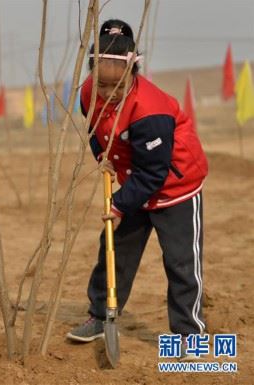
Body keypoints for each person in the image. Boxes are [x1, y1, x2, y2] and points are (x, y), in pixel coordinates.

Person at [66, 20, 208, 361]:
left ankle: (189, 334)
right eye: (101, 83)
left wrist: (118, 205)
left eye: (115, 85)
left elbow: (155, 172)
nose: (106, 93)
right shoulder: (87, 92)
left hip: (175, 187)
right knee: (114, 252)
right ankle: (100, 317)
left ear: (132, 70)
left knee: (180, 262)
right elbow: (94, 132)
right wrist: (103, 157)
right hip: (134, 181)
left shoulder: (150, 109)